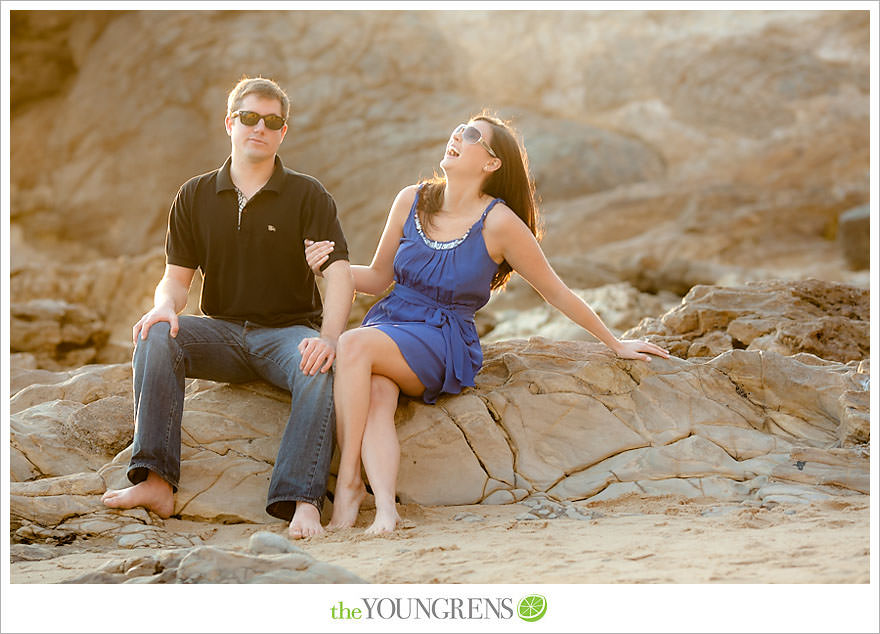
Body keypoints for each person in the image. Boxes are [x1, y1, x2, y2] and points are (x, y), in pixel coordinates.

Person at [304, 111, 669, 535]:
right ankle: (384, 507)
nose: (457, 135)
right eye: (457, 128)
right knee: (377, 397)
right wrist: (329, 265)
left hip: (441, 338)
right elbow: (377, 279)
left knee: (352, 345)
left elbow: (556, 291)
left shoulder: (498, 222)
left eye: (472, 135)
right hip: (391, 322)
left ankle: (348, 484)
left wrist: (616, 343)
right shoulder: (411, 199)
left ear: (491, 163)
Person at [101, 77, 354, 539]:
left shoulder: (307, 194)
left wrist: (330, 337)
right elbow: (177, 279)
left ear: (283, 133)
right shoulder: (194, 196)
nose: (260, 127)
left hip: (286, 334)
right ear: (230, 123)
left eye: (272, 121)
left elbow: (338, 272)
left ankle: (302, 502)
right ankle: (156, 481)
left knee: (320, 367)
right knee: (156, 333)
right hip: (220, 334)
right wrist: (163, 307)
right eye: (249, 117)